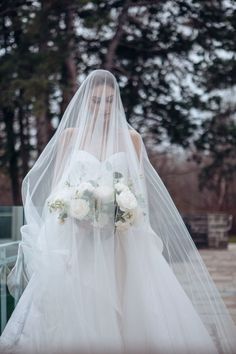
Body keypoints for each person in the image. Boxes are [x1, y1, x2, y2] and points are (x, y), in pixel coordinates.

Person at [0, 69, 236, 354]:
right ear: (87, 102)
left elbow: (139, 195)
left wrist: (119, 216)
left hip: (120, 241)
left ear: (117, 101)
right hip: (75, 240)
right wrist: (79, 217)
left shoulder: (132, 139)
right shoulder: (69, 138)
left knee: (126, 302)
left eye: (109, 101)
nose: (103, 107)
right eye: (97, 101)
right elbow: (57, 191)